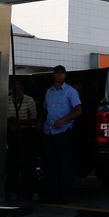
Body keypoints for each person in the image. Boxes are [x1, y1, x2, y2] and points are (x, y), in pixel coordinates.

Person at [38, 65, 82, 202]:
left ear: (65, 75)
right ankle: (51, 194)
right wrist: (40, 122)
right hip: (49, 131)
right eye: (56, 73)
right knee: (50, 164)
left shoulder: (70, 91)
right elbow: (45, 109)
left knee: (64, 164)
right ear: (53, 75)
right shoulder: (49, 91)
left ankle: (64, 195)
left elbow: (78, 110)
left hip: (63, 132)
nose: (58, 75)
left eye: (61, 73)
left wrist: (63, 120)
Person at [6, 80, 38, 200]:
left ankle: (30, 190)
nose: (16, 94)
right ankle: (13, 190)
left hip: (26, 133)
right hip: (12, 134)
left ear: (23, 91)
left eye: (18, 91)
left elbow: (34, 120)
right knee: (12, 163)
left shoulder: (29, 100)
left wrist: (20, 122)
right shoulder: (8, 100)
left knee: (28, 163)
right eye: (14, 92)